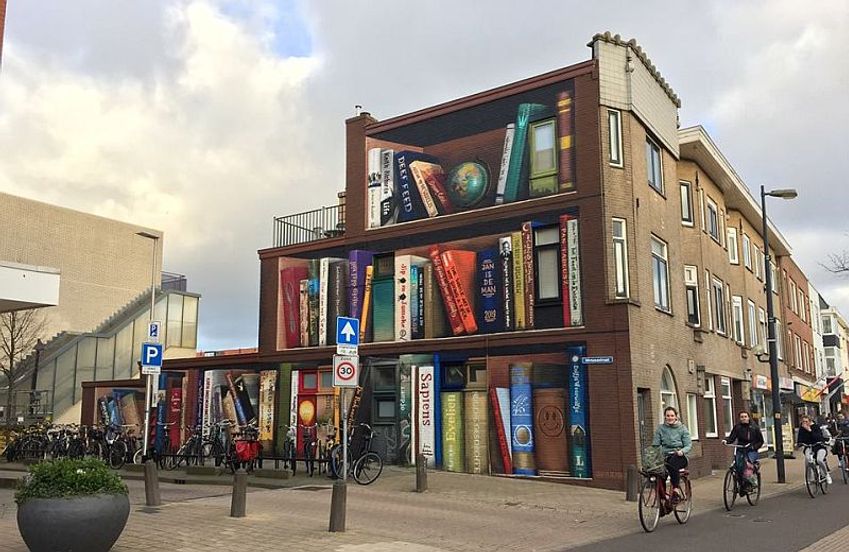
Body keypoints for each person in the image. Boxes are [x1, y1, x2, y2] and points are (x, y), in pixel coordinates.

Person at [652, 406, 692, 497]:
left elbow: (688, 445)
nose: (670, 418)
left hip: (680, 456)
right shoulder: (660, 429)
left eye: (672, 415)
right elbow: (655, 445)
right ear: (665, 417)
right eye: (668, 416)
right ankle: (663, 497)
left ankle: (676, 488)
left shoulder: (682, 428)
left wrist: (682, 451)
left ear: (676, 417)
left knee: (672, 463)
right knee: (659, 472)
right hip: (665, 455)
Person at [722, 411, 764, 488]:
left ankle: (751, 480)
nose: (743, 418)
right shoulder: (737, 427)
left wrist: (753, 447)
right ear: (739, 418)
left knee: (747, 464)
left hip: (751, 450)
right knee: (738, 466)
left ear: (748, 418)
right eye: (742, 417)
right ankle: (741, 483)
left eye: (745, 416)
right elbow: (732, 437)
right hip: (741, 448)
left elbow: (760, 441)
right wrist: (726, 441)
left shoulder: (754, 427)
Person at [797, 414, 832, 485]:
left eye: (806, 421)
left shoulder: (816, 427)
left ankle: (826, 474)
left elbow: (819, 438)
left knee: (819, 460)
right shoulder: (802, 428)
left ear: (810, 421)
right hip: (809, 447)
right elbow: (800, 438)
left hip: (819, 446)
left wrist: (810, 430)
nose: (804, 423)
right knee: (808, 460)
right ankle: (810, 479)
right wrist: (799, 443)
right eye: (803, 422)